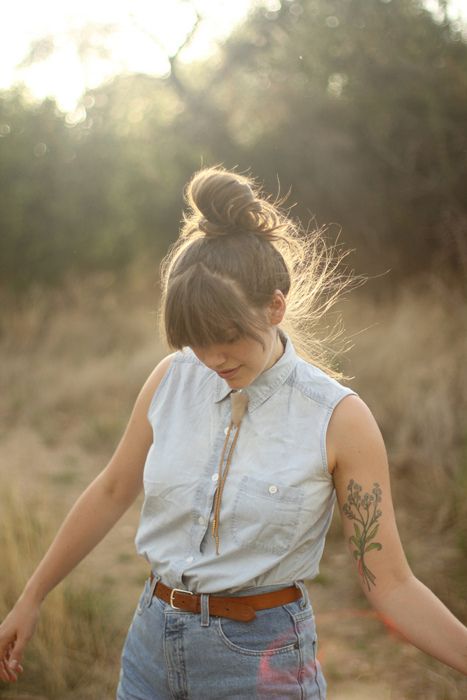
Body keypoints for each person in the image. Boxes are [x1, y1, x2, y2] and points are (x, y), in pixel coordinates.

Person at [0, 166, 466, 698]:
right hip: (150, 649)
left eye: (226, 337)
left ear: (275, 306)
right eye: (195, 340)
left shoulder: (338, 418)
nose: (212, 358)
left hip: (260, 665)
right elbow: (111, 490)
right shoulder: (172, 378)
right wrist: (31, 597)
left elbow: (393, 584)